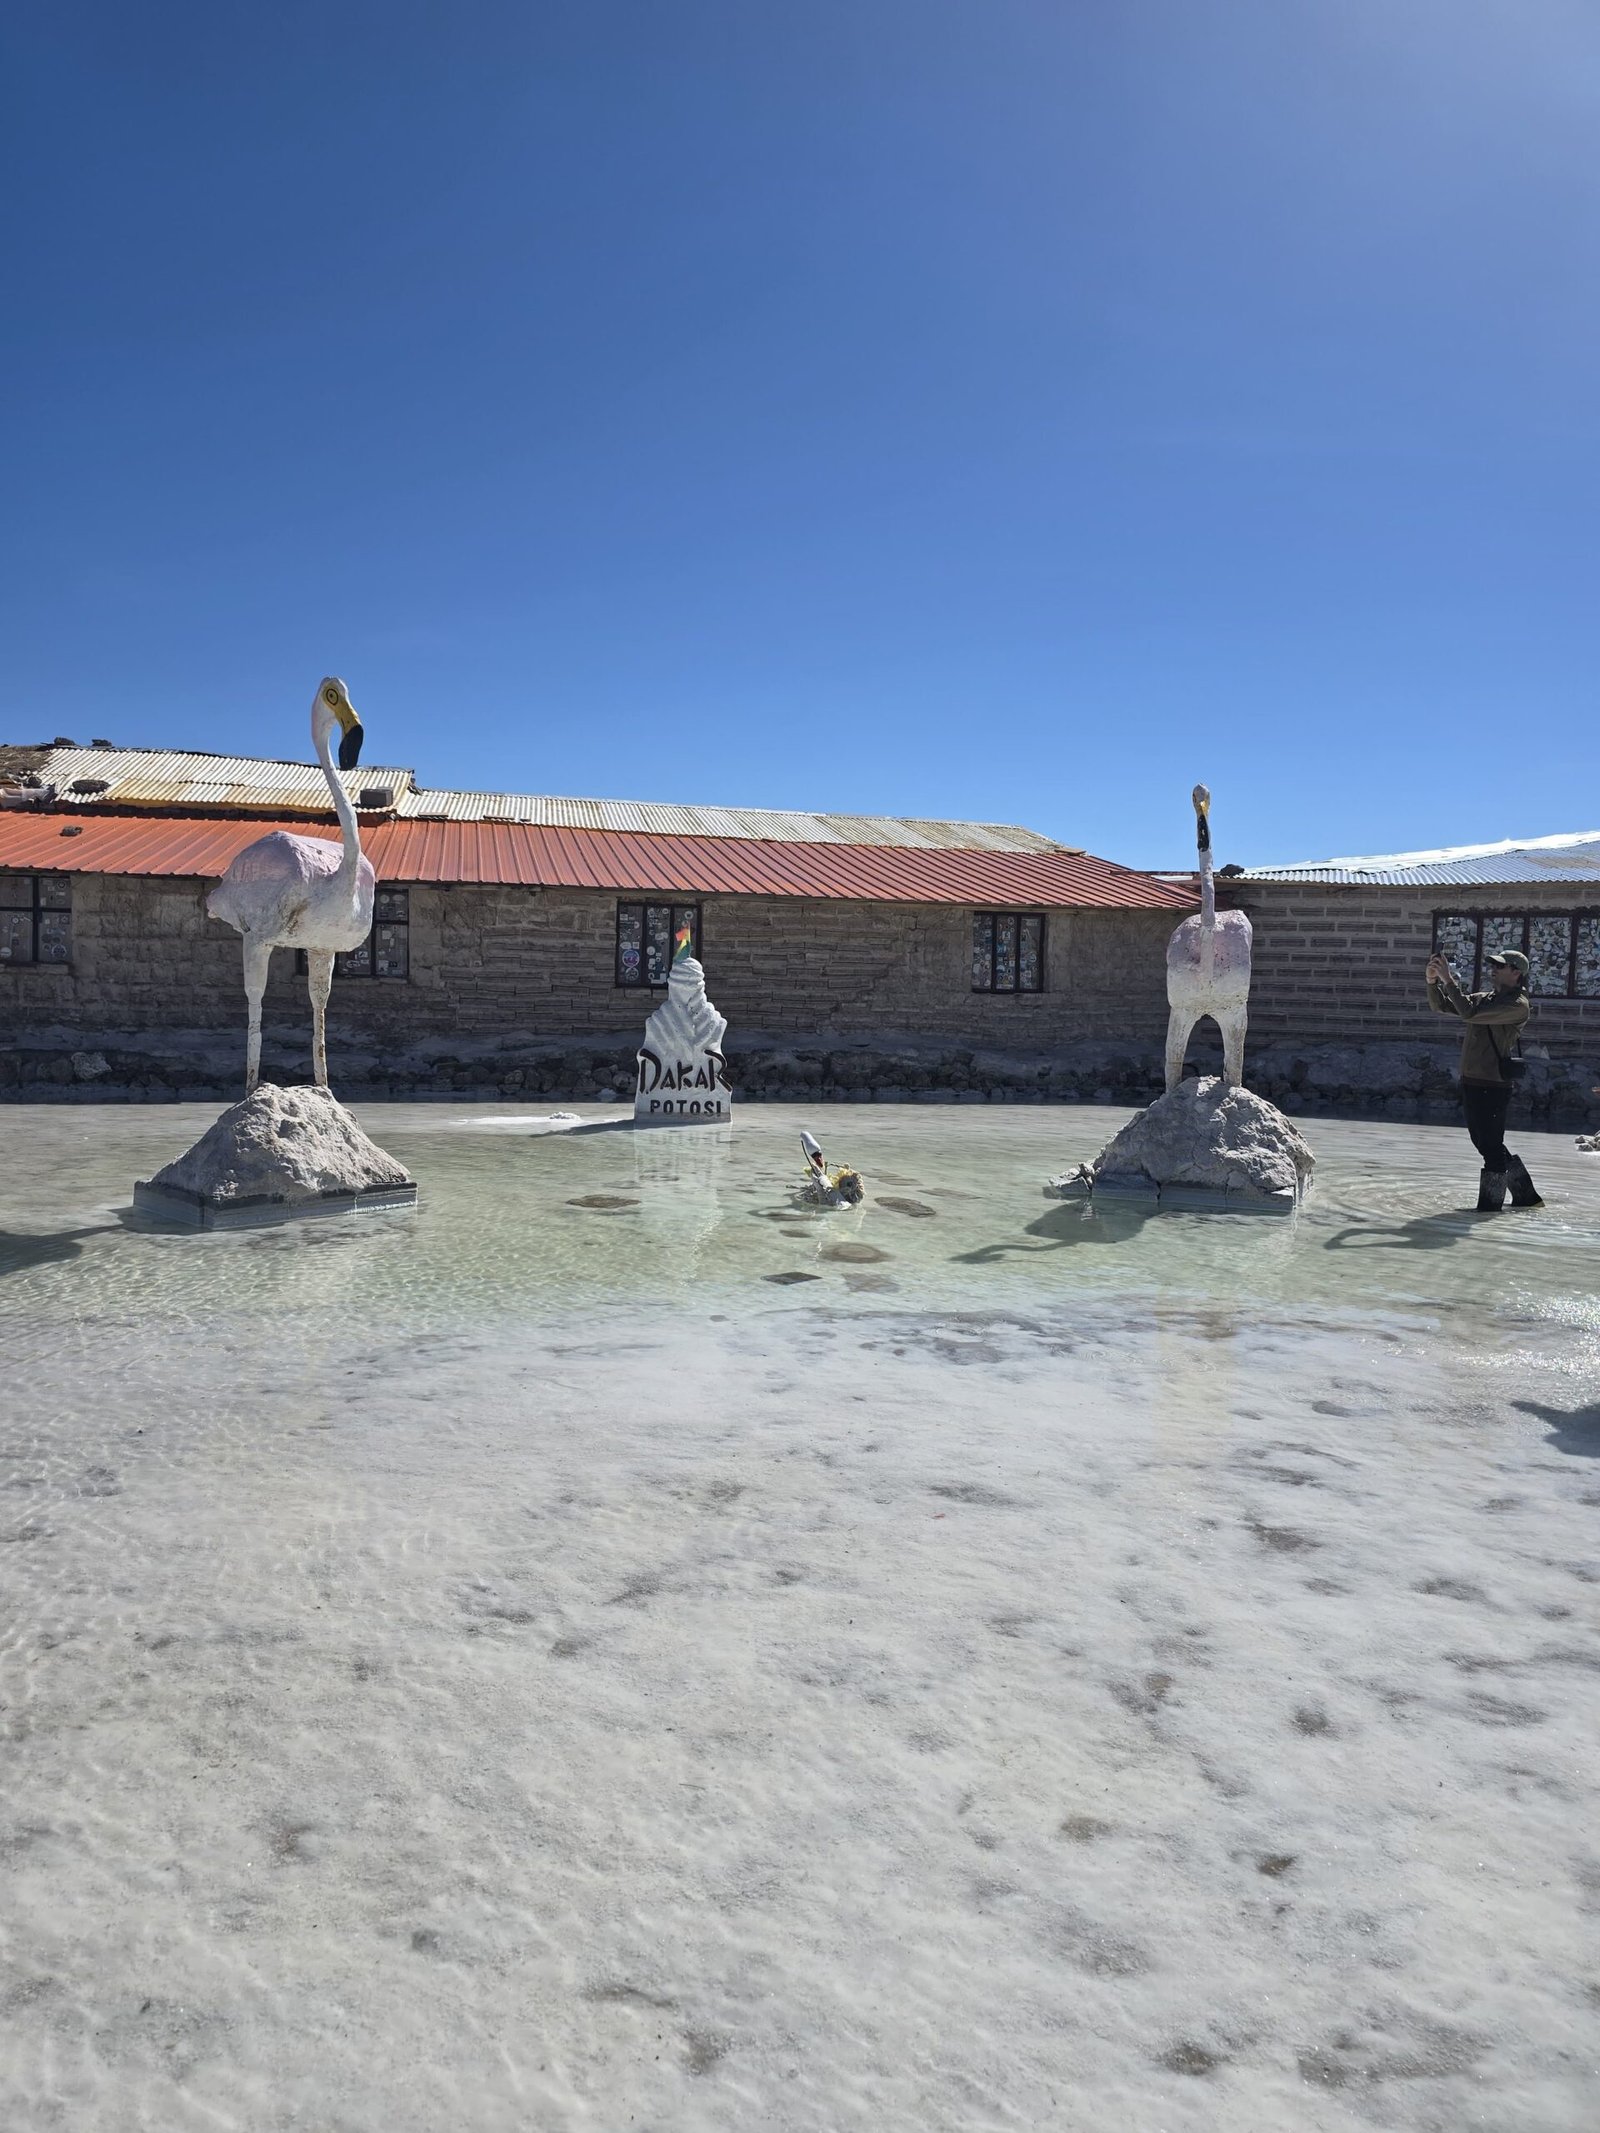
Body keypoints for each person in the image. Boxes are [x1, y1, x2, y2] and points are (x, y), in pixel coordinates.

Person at [1425, 947, 1542, 1211]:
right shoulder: (1487, 998)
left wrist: (1449, 980)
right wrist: (1432, 980)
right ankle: (1526, 1196)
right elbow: (1442, 1005)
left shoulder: (1516, 1005)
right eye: (1493, 965)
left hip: (1493, 1084)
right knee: (1486, 1142)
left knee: (1490, 1147)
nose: (1493, 969)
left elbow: (1468, 1014)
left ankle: (1489, 1209)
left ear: (1516, 973)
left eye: (1499, 966)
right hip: (1472, 1080)